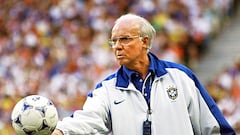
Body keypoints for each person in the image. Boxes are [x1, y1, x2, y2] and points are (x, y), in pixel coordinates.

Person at [51, 13, 235, 135]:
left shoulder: (180, 77)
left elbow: (214, 127)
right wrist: (61, 131)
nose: (117, 46)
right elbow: (88, 119)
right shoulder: (106, 90)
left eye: (124, 39)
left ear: (145, 42)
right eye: (113, 41)